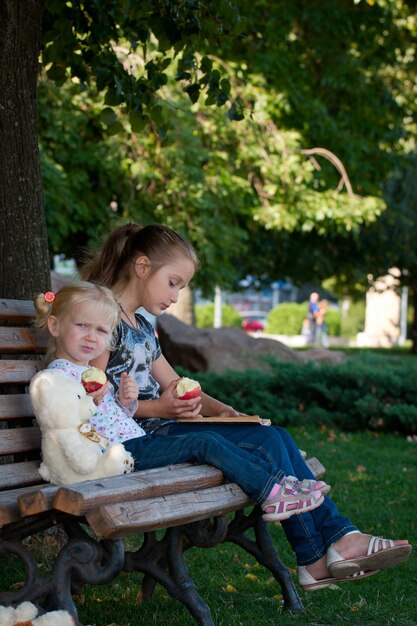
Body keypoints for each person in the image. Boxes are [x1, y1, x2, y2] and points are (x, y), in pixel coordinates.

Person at [81, 223, 411, 591]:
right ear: (142, 266)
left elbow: (174, 384)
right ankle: (322, 552)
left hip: (166, 426)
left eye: (182, 287)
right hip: (140, 439)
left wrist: (225, 411)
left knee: (275, 436)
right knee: (268, 443)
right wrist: (160, 408)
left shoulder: (140, 325)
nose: (176, 295)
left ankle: (323, 552)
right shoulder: (103, 320)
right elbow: (95, 398)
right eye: (173, 282)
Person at [33, 282, 326, 524]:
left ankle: (280, 484)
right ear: (55, 326)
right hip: (119, 456)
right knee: (203, 442)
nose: (91, 337)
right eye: (82, 325)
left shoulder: (91, 374)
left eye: (101, 331)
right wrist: (96, 402)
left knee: (207, 440)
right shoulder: (56, 377)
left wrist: (125, 403)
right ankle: (272, 492)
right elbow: (70, 424)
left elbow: (111, 418)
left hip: (135, 443)